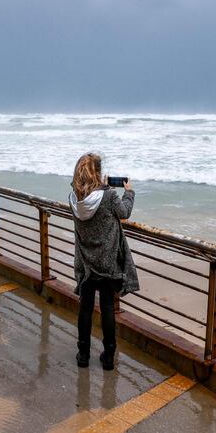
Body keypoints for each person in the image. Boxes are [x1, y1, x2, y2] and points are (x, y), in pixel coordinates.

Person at [69, 153, 139, 370]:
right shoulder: (108, 196)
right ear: (98, 172)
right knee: (108, 308)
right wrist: (128, 192)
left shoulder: (74, 197)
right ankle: (108, 357)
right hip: (108, 263)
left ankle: (83, 355)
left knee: (85, 308)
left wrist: (100, 185)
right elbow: (124, 212)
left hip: (86, 263)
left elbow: (92, 201)